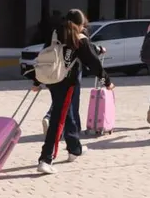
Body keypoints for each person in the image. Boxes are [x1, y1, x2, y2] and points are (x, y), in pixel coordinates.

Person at [29, 9, 113, 175]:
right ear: (81, 24)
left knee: (66, 115)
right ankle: (46, 159)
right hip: (67, 83)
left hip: (52, 81)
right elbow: (93, 63)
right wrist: (107, 82)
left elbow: (46, 59)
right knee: (58, 120)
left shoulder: (55, 34)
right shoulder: (79, 38)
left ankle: (74, 149)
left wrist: (37, 82)